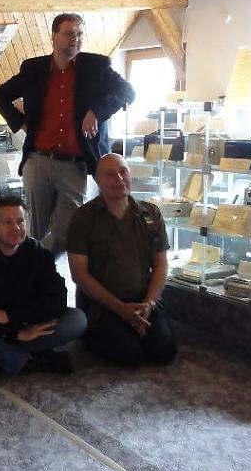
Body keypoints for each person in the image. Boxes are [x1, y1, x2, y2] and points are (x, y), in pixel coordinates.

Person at [0, 12, 135, 257]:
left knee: (67, 231)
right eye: (69, 34)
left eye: (79, 34)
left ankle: (36, 264)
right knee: (33, 229)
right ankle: (33, 275)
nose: (75, 39)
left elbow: (127, 91)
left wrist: (96, 112)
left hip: (74, 164)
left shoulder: (96, 66)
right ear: (54, 37)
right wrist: (23, 124)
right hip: (38, 160)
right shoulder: (34, 69)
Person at [0, 195, 86, 381]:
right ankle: (32, 359)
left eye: (20, 221)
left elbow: (57, 299)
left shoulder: (38, 253)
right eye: (8, 222)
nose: (16, 228)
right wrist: (14, 333)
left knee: (77, 319)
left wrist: (11, 317)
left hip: (28, 323)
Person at [66, 153, 177, 366]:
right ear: (98, 181)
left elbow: (161, 264)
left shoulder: (150, 213)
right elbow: (79, 275)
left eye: (123, 171)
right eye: (110, 175)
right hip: (102, 305)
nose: (119, 178)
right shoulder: (83, 218)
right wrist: (121, 310)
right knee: (130, 356)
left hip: (142, 300)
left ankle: (136, 324)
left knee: (164, 351)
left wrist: (149, 304)